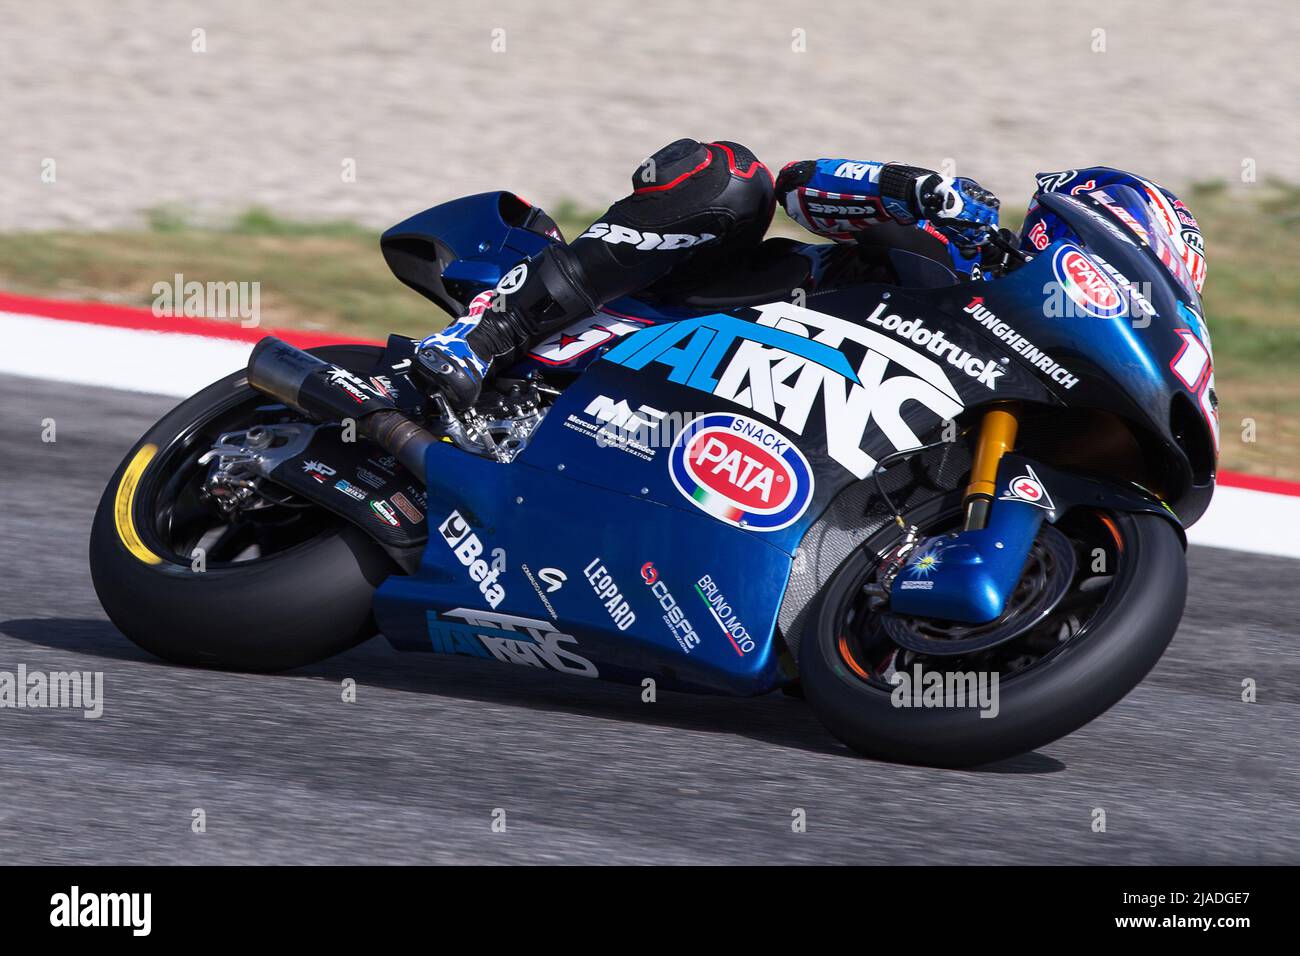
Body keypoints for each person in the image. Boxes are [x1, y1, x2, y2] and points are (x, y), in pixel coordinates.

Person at [416, 138, 1001, 410]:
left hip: (812, 440)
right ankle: (484, 335)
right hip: (718, 316)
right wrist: (911, 190)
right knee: (730, 176)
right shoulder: (973, 249)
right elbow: (798, 186)